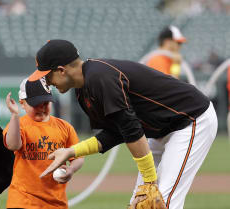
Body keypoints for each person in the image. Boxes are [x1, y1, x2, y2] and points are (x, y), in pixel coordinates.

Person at [31, 40, 218, 209]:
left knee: (160, 202)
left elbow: (131, 129)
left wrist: (150, 181)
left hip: (192, 119)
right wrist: (72, 151)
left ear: (61, 70)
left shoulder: (99, 77)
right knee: (140, 203)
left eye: (47, 77)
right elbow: (116, 132)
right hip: (163, 129)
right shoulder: (83, 91)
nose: (48, 83)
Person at [3, 77, 84, 209]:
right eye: (35, 104)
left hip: (56, 202)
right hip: (23, 200)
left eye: (46, 103)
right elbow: (13, 145)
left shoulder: (64, 127)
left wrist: (71, 169)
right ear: (22, 103)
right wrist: (14, 116)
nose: (41, 107)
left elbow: (78, 156)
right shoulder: (20, 125)